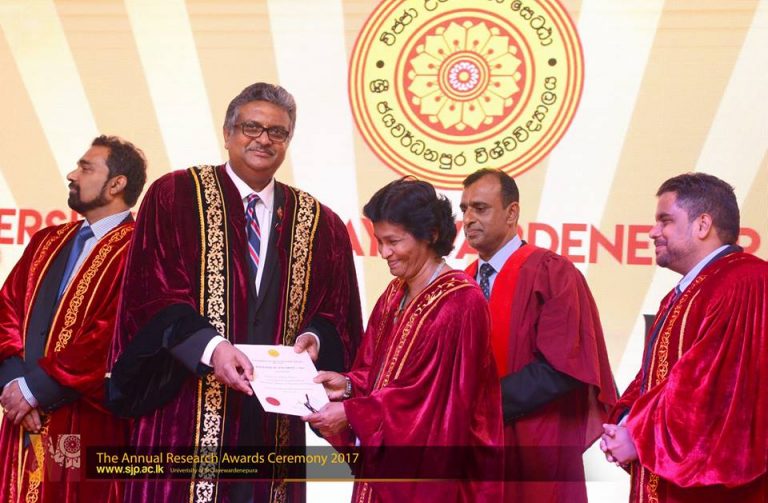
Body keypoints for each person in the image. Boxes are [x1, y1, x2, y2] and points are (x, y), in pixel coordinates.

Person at [106, 82, 362, 503]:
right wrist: (213, 348)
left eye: (277, 132)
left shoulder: (320, 224)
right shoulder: (175, 196)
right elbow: (153, 294)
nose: (264, 139)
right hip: (185, 414)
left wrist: (314, 339)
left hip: (273, 428)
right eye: (251, 127)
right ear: (227, 134)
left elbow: (336, 314)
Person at [305, 178, 503, 502]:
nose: (384, 253)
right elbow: (377, 373)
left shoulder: (461, 302)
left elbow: (432, 403)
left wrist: (353, 414)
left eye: (393, 241)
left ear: (431, 234)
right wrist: (348, 385)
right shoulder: (394, 293)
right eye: (379, 241)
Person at [600, 173, 768, 502]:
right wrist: (624, 424)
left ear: (702, 224)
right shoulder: (687, 291)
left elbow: (714, 390)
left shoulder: (745, 281)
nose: (653, 232)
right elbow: (651, 379)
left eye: (665, 221)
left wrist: (638, 435)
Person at [0, 136, 147, 502]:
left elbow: (112, 336)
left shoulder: (140, 249)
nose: (72, 175)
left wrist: (36, 391)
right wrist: (14, 384)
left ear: (116, 184)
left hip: (86, 421)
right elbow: (7, 311)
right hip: (22, 420)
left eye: (85, 168)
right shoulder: (46, 241)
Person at [459, 168, 617, 502]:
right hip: (476, 446)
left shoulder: (551, 272)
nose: (469, 219)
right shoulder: (463, 282)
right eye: (465, 209)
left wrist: (481, 405)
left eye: (480, 208)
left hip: (536, 444)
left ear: (511, 212)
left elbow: (562, 367)